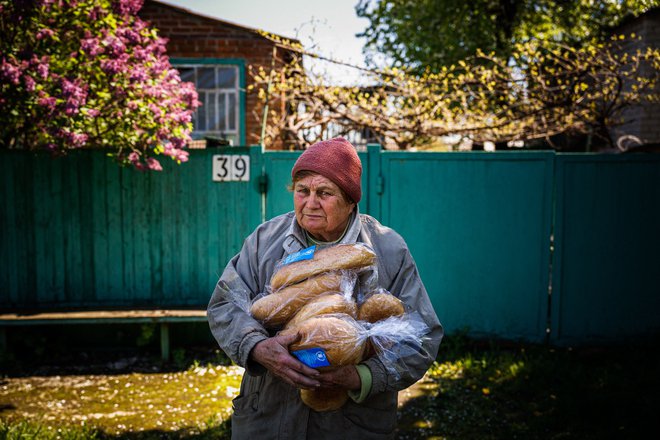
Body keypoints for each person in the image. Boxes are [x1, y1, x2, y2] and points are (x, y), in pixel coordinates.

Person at [207, 137, 443, 439]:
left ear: (349, 200)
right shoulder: (265, 240)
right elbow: (224, 305)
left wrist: (361, 376)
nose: (310, 202)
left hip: (351, 424)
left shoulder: (387, 249)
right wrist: (256, 346)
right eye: (302, 191)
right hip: (270, 417)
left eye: (324, 193)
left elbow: (423, 336)